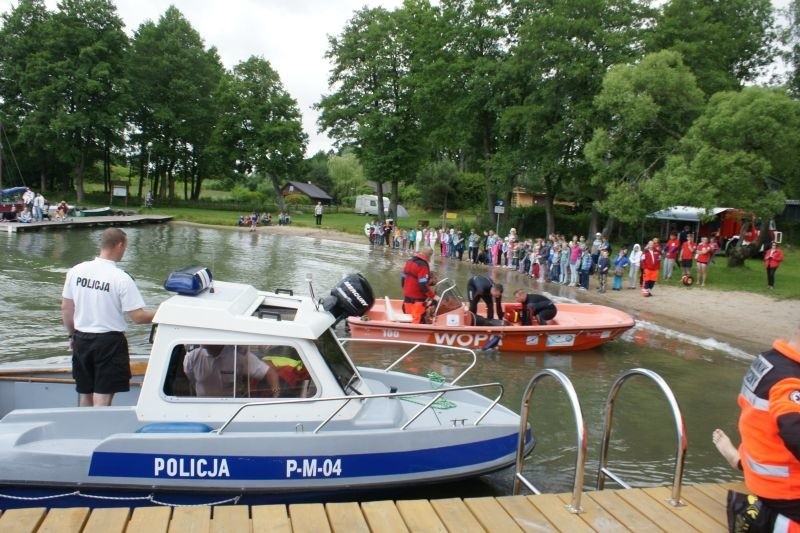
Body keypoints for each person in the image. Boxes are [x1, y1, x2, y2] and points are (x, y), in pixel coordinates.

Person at [712, 324, 800, 531]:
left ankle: (738, 459)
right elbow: (794, 431)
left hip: (760, 464)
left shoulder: (770, 360)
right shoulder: (790, 381)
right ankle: (772, 521)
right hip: (786, 488)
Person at [61, 228, 155, 407]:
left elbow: (66, 308)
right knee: (102, 397)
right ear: (120, 245)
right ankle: (97, 432)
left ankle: (84, 432)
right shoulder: (121, 278)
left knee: (85, 393)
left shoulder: (77, 270)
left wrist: (72, 335)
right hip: (109, 342)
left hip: (81, 339)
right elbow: (138, 317)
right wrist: (165, 311)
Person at [183, 344, 280, 398]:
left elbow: (269, 372)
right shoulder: (192, 356)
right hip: (202, 407)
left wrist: (276, 395)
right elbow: (191, 378)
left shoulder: (238, 355)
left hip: (232, 407)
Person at [401, 246, 437, 323]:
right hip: (417, 298)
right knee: (418, 319)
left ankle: (407, 330)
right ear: (429, 256)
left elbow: (403, 278)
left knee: (409, 317)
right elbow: (423, 284)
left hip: (407, 296)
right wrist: (433, 296)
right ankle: (417, 331)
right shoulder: (423, 265)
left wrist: (405, 290)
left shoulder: (409, 261)